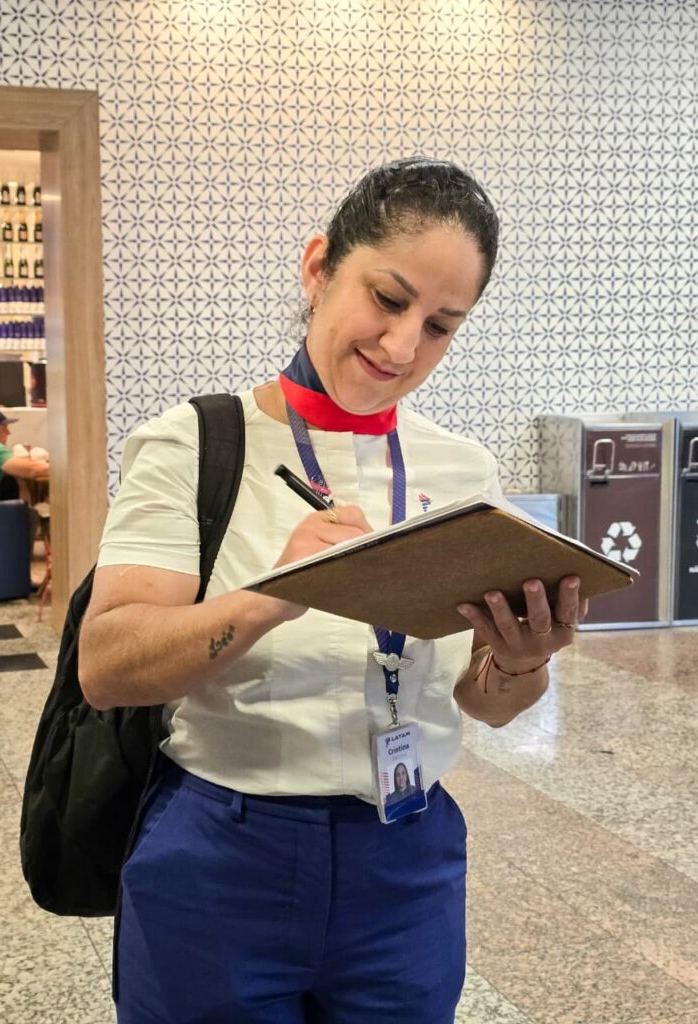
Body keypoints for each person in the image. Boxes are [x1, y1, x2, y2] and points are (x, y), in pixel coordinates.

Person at [78, 158, 587, 1024]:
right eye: (387, 299)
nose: (403, 346)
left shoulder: (463, 471)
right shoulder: (194, 444)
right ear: (319, 267)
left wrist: (520, 661)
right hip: (224, 855)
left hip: (407, 862)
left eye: (440, 326)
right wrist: (274, 594)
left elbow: (488, 704)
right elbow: (107, 666)